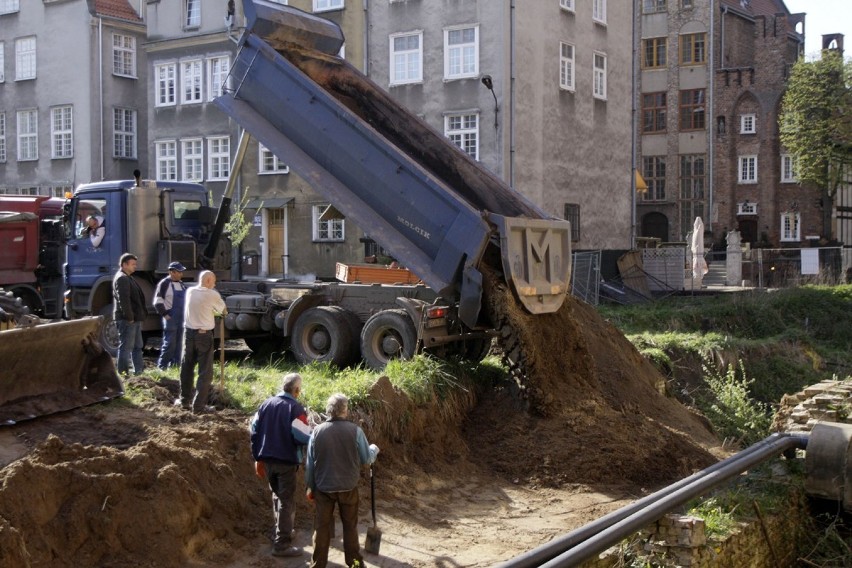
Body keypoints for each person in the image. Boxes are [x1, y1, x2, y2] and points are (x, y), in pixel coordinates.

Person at [305, 393, 379, 568]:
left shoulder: (317, 431)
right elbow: (366, 459)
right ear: (345, 411)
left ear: (328, 411)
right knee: (350, 526)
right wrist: (374, 449)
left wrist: (310, 487)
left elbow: (310, 464)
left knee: (321, 527)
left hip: (323, 487)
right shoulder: (356, 431)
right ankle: (354, 563)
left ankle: (318, 564)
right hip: (348, 487)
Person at [249, 373, 313, 558]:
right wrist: (315, 434)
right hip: (285, 460)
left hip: (267, 460)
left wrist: (257, 457)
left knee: (276, 496)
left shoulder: (266, 404)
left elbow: (253, 430)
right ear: (296, 390)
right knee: (286, 500)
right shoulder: (295, 408)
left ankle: (279, 532)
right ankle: (282, 544)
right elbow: (301, 436)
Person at [178, 270, 227, 413]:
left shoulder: (190, 291)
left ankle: (184, 401)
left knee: (186, 367)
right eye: (214, 281)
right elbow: (223, 310)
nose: (215, 284)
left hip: (188, 334)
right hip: (204, 336)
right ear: (208, 281)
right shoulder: (212, 294)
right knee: (205, 372)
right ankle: (199, 407)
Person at [113, 253, 147, 376]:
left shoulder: (127, 277)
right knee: (126, 347)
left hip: (134, 319)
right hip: (127, 320)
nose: (135, 266)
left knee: (138, 347)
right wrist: (130, 317)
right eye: (132, 264)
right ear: (124, 265)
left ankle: (139, 373)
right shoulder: (122, 278)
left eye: (135, 264)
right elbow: (124, 300)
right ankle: (123, 373)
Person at [153, 261, 188, 369]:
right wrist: (165, 314)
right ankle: (162, 366)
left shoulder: (182, 284)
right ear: (172, 272)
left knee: (179, 344)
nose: (181, 274)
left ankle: (175, 366)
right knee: (169, 344)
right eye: (179, 272)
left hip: (181, 318)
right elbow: (157, 301)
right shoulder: (164, 283)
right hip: (171, 318)